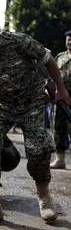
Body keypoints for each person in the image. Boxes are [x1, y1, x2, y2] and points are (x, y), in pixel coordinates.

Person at [0, 10, 70, 224]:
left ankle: (44, 195)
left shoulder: (18, 41)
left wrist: (60, 89)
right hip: (3, 104)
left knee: (38, 149)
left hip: (32, 101)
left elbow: (48, 60)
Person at [50, 30, 71, 169]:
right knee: (58, 128)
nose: (70, 42)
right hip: (61, 98)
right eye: (68, 39)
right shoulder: (60, 57)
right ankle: (60, 158)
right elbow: (53, 74)